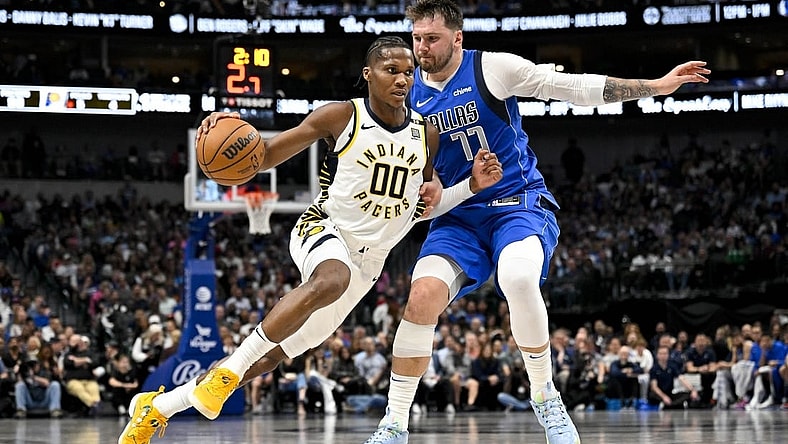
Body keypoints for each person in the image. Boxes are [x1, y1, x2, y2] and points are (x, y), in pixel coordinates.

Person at [118, 36, 502, 444]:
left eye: (409, 72)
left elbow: (423, 207)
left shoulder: (427, 135)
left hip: (370, 264)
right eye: (392, 71)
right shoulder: (338, 117)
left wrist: (470, 188)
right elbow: (262, 157)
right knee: (330, 278)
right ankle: (226, 373)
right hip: (324, 228)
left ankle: (157, 406)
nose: (403, 79)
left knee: (274, 356)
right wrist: (226, 123)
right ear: (368, 75)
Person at [363, 1, 710, 443]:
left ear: (457, 38)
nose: (421, 48)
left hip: (517, 203)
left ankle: (546, 397)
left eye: (431, 38)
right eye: (416, 39)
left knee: (519, 279)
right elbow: (425, 207)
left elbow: (571, 88)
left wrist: (654, 87)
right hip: (457, 215)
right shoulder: (404, 97)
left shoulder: (494, 69)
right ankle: (394, 424)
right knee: (420, 299)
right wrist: (463, 188)